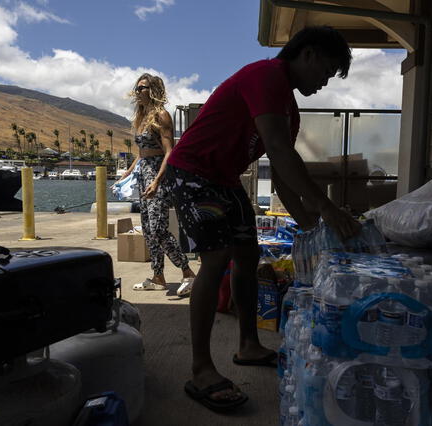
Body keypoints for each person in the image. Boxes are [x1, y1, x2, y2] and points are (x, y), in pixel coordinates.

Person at [166, 26, 362, 412]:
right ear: (308, 54)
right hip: (192, 171)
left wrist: (313, 229)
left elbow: (286, 176)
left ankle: (248, 345)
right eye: (326, 70)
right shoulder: (265, 76)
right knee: (218, 258)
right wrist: (327, 208)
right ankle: (201, 368)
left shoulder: (289, 109)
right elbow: (277, 149)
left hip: (223, 178)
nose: (324, 82)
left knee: (248, 256)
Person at [116, 73, 196, 295]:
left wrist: (157, 180)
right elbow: (142, 153)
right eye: (137, 88)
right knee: (149, 231)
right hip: (144, 176)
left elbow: (170, 152)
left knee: (159, 229)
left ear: (152, 91)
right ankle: (158, 276)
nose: (138, 92)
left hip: (158, 176)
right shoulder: (141, 118)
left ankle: (188, 273)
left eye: (142, 88)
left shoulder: (161, 116)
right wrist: (128, 173)